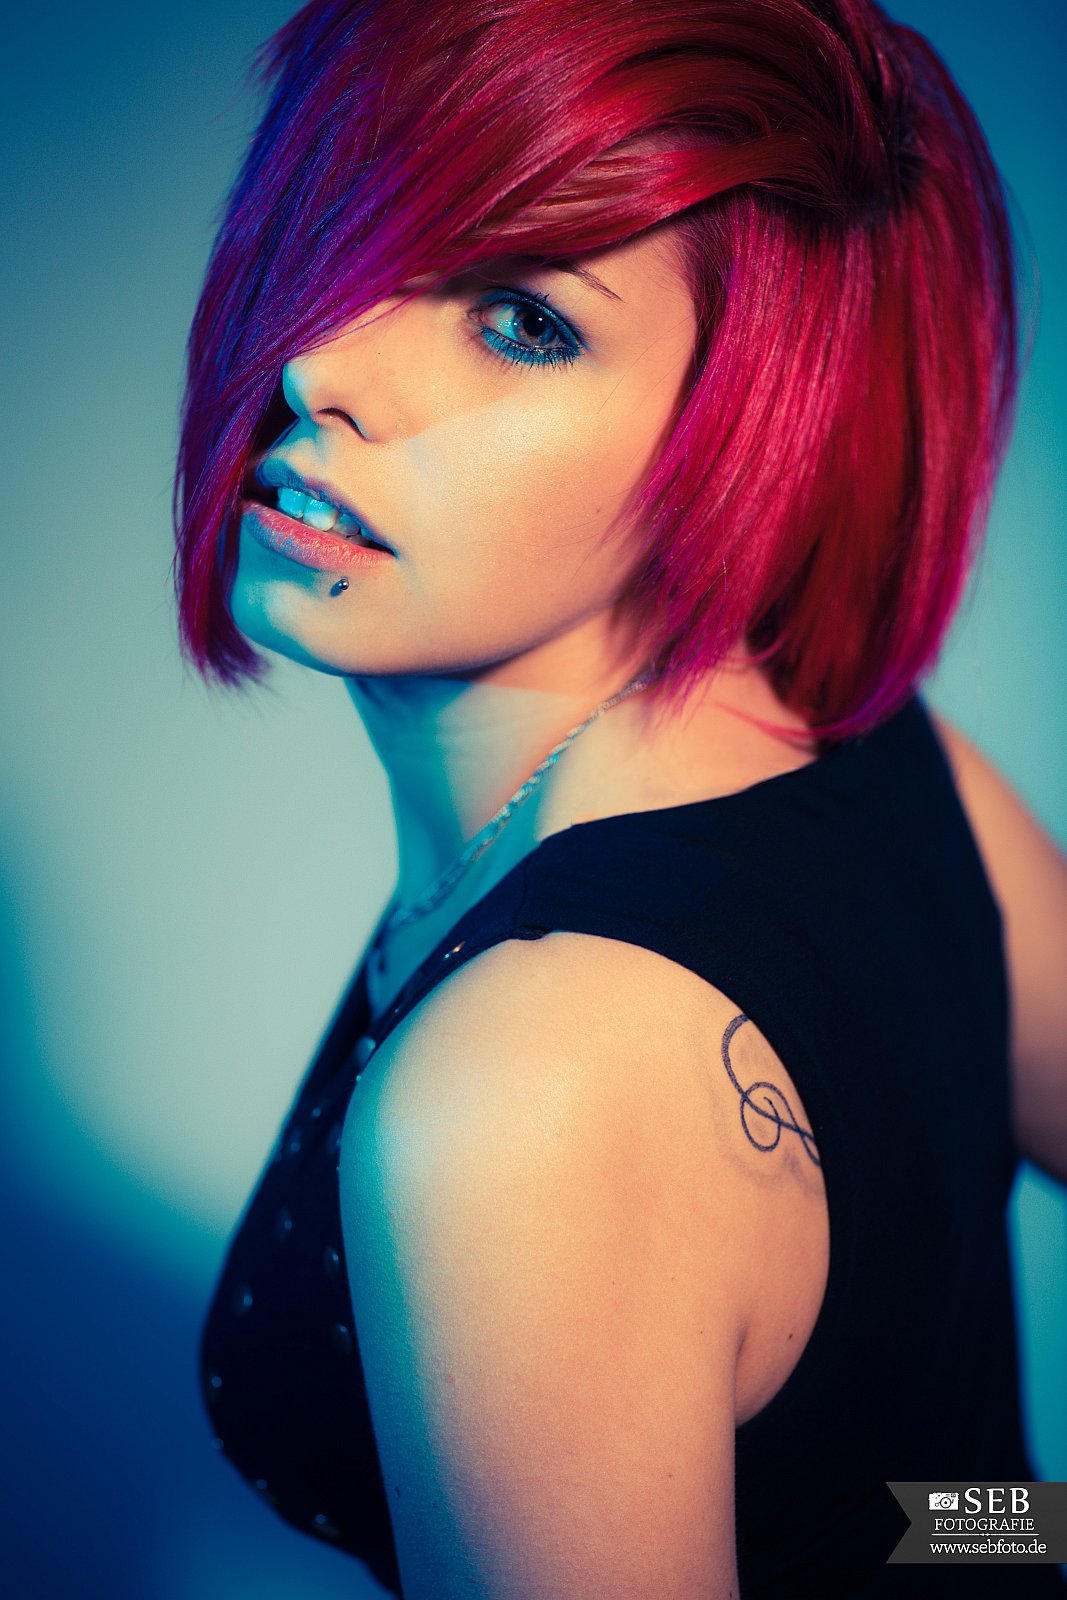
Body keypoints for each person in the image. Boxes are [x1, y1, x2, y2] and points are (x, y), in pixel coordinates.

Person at [178, 0, 1067, 1594]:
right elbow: (900, 1500)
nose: (317, 362)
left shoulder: (531, 1085)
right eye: (345, 230)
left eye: (522, 319)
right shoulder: (887, 763)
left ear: (738, 437)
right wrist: (1028, 1534)